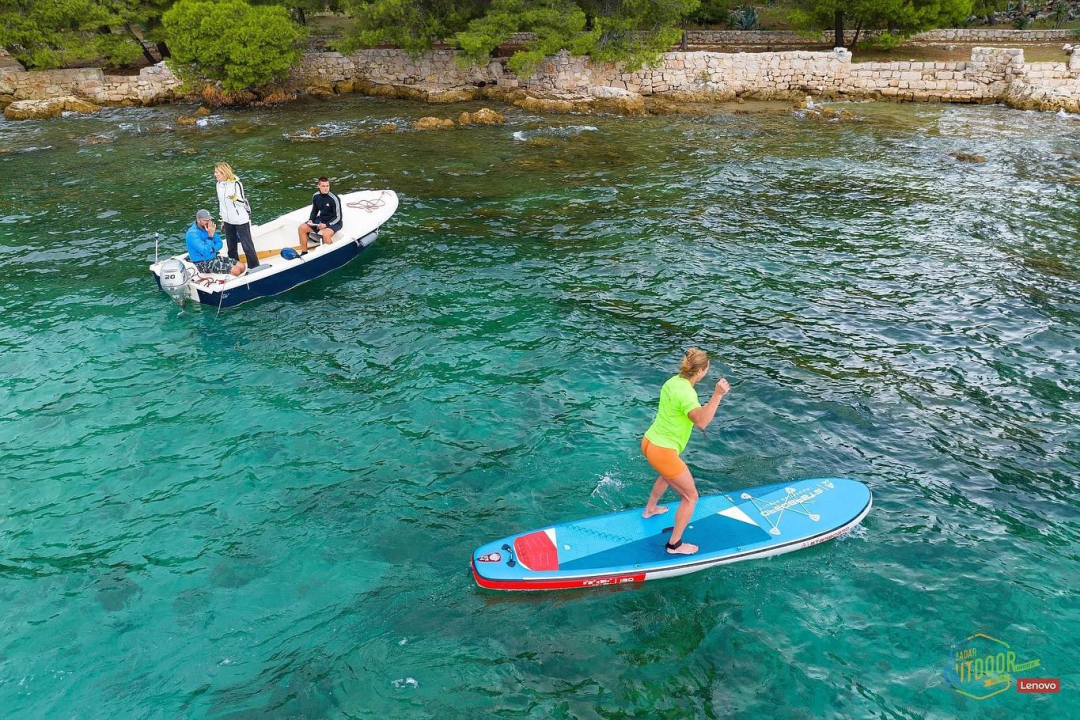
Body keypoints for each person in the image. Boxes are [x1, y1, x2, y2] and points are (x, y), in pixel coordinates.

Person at [641, 348, 730, 555]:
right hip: (662, 451)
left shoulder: (673, 382)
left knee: (667, 474)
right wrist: (717, 395)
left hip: (649, 441)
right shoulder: (687, 393)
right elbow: (701, 421)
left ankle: (650, 510)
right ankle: (674, 545)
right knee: (691, 497)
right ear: (701, 371)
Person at [214, 162, 259, 269]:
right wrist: (222, 218)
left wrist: (234, 199)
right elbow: (221, 203)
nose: (215, 175)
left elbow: (243, 202)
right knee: (231, 246)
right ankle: (235, 266)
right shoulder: (218, 184)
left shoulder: (236, 184)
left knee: (247, 246)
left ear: (224, 172)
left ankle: (254, 267)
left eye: (217, 172)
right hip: (227, 220)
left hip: (240, 220)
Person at [185, 209, 245, 277]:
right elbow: (204, 251)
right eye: (205, 220)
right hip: (202, 263)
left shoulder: (209, 228)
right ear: (198, 220)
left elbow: (219, 243)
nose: (208, 222)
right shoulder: (192, 234)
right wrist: (210, 236)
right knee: (236, 270)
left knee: (241, 266)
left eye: (209, 220)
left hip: (213, 257)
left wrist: (213, 249)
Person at [297, 177, 342, 254]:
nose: (326, 188)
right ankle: (304, 252)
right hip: (322, 219)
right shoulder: (316, 196)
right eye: (323, 186)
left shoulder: (334, 198)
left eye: (327, 186)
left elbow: (338, 217)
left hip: (334, 222)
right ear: (319, 186)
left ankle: (333, 254)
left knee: (326, 234)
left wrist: (326, 225)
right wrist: (311, 219)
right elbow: (314, 210)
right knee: (302, 228)